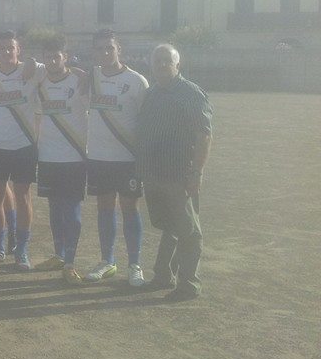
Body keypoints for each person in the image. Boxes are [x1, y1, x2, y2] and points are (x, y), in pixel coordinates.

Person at [136, 44, 213, 302]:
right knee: (168, 226)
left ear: (177, 64)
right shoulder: (151, 93)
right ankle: (162, 275)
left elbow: (204, 135)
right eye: (157, 60)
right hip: (154, 174)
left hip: (180, 175)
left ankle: (189, 284)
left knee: (188, 231)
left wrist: (196, 172)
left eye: (167, 60)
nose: (161, 64)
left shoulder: (191, 93)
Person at [83, 30, 150, 286]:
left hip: (127, 157)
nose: (105, 52)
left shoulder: (137, 81)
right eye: (99, 48)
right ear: (94, 52)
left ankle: (135, 264)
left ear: (118, 49)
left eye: (109, 48)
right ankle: (107, 261)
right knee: (104, 207)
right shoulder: (90, 77)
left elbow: (146, 121)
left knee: (130, 208)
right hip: (98, 157)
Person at [0, 31, 44, 270]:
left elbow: (57, 66)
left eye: (11, 47)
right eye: (2, 48)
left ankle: (22, 250)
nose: (7, 51)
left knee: (23, 197)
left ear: (19, 50)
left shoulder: (32, 70)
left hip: (24, 145)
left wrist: (32, 61)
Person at [34, 36, 90, 285]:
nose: (53, 61)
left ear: (65, 57)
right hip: (48, 156)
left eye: (57, 56)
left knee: (72, 211)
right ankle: (58, 255)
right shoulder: (40, 82)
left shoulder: (79, 80)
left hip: (74, 157)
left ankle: (70, 263)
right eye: (48, 57)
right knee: (55, 208)